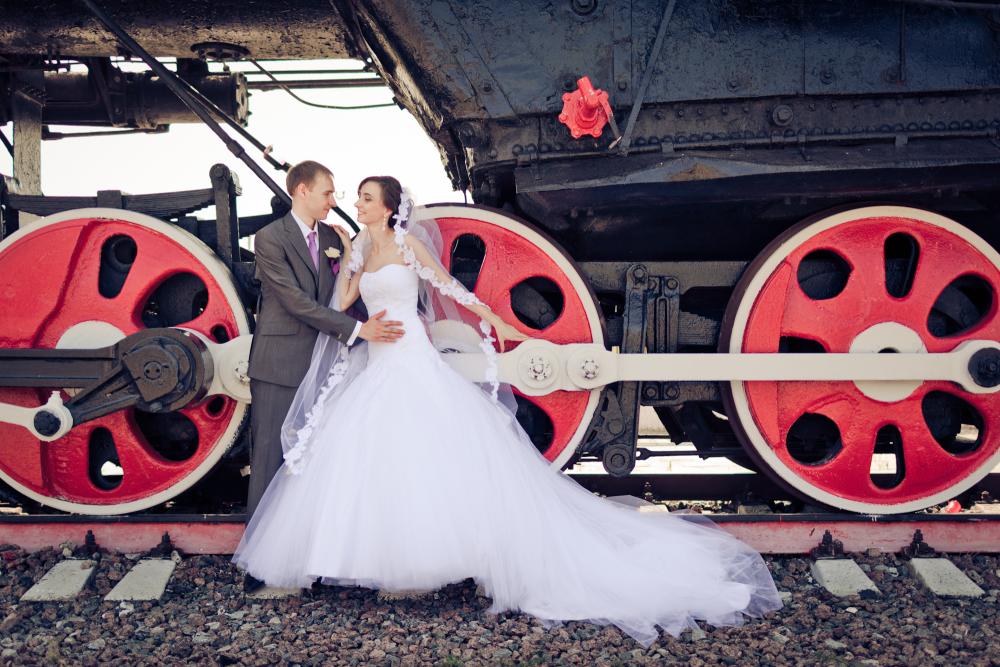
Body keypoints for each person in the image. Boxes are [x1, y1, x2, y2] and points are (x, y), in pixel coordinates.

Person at [234, 175, 781, 646]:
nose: (356, 204)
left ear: (389, 207)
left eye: (366, 198)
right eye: (355, 197)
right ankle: (385, 561)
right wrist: (350, 272)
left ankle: (423, 564)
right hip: (376, 358)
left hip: (412, 359)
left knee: (422, 455)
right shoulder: (356, 247)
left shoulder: (407, 245)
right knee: (376, 460)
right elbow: (342, 302)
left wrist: (494, 320)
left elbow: (446, 286)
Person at [245, 162, 404, 536]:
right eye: (327, 193)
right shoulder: (269, 238)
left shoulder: (334, 239)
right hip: (280, 363)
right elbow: (295, 301)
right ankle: (257, 547)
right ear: (302, 191)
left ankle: (301, 544)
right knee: (270, 456)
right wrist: (359, 330)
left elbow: (345, 293)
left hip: (329, 363)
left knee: (316, 459)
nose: (334, 201)